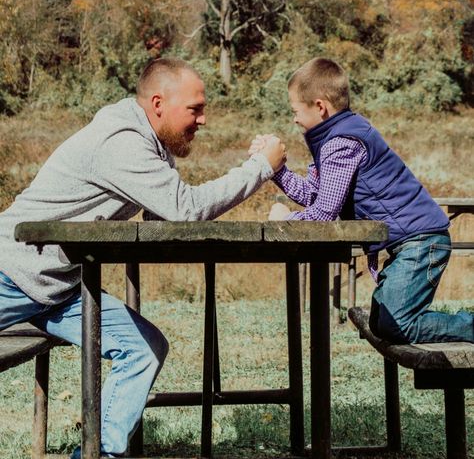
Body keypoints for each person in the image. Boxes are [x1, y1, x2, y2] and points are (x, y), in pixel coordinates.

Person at [0, 57, 286, 458]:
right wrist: (260, 168)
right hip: (11, 273)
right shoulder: (122, 143)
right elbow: (185, 209)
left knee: (144, 346)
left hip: (56, 289)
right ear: (158, 104)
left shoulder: (150, 144)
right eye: (195, 109)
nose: (203, 120)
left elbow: (163, 212)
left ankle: (99, 455)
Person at [249, 57, 474, 345]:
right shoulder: (335, 137)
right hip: (413, 241)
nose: (293, 118)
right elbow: (313, 195)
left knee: (399, 327)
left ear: (319, 106)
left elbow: (323, 214)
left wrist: (285, 222)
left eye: (295, 110)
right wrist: (275, 169)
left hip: (420, 241)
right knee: (384, 324)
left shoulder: (341, 143)